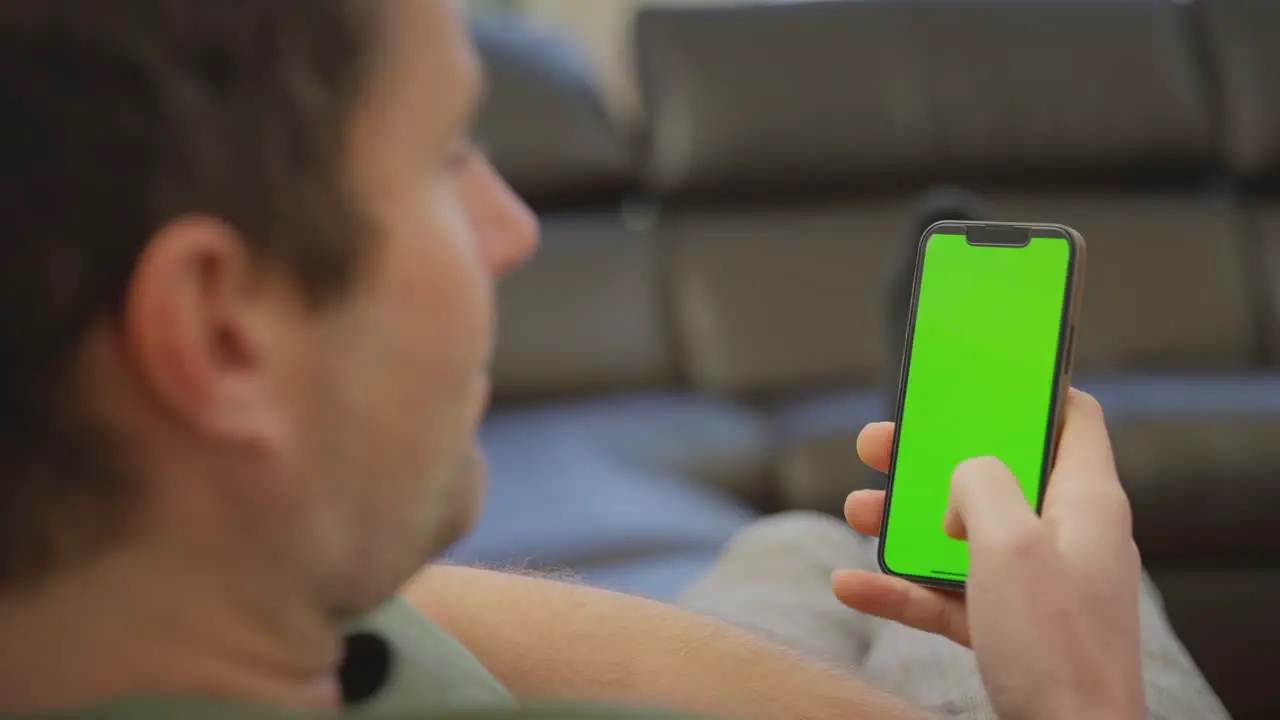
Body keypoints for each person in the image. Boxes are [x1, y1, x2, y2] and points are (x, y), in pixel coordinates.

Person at [0, 2, 1227, 719]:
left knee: (804, 545)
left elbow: (404, 605)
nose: (515, 229)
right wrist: (1076, 699)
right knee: (1058, 578)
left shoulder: (177, 581)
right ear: (218, 334)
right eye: (446, 162)